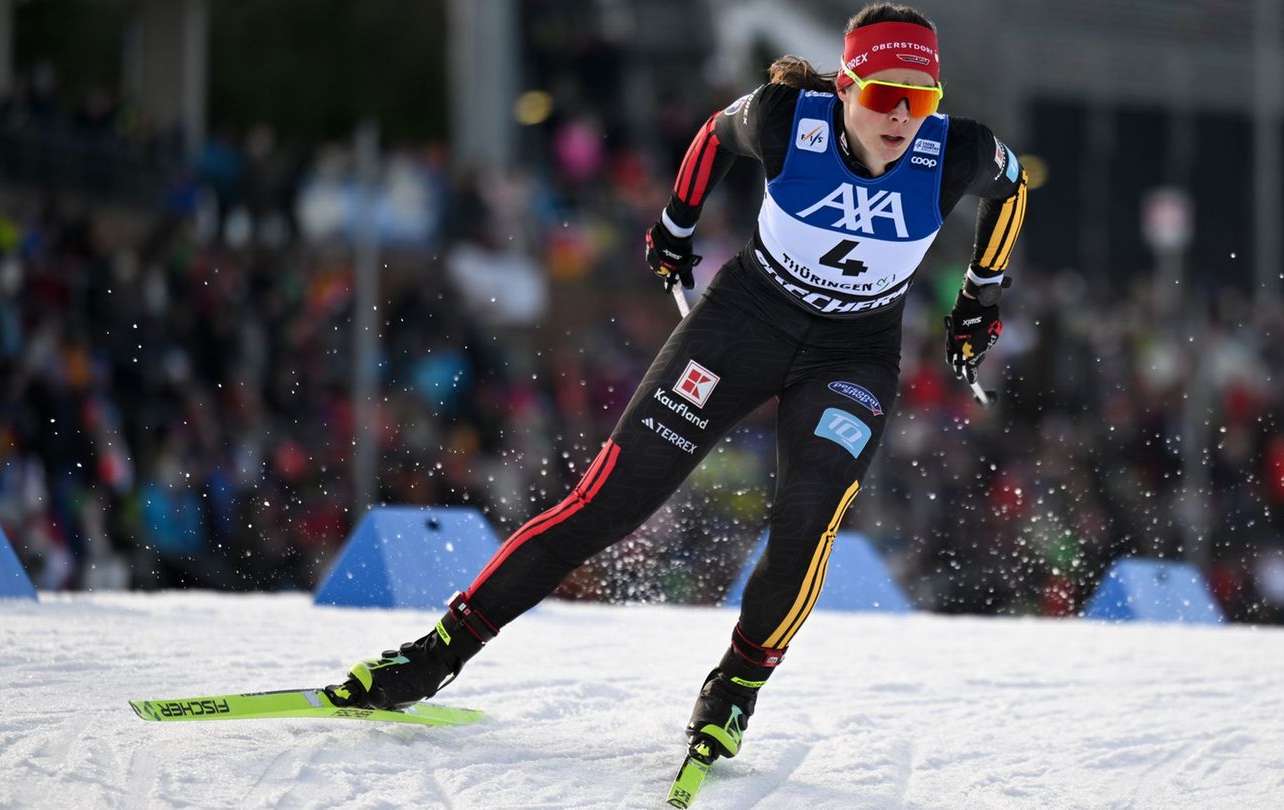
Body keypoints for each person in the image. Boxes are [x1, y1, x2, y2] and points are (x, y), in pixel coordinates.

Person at [326, 2, 1027, 765]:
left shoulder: (955, 152)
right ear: (847, 87)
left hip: (852, 356)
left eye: (920, 100)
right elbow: (712, 135)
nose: (902, 119)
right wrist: (675, 225)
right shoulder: (790, 118)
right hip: (744, 324)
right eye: (885, 97)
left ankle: (734, 691)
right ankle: (433, 655)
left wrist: (979, 296)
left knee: (806, 520)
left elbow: (1013, 190)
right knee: (606, 505)